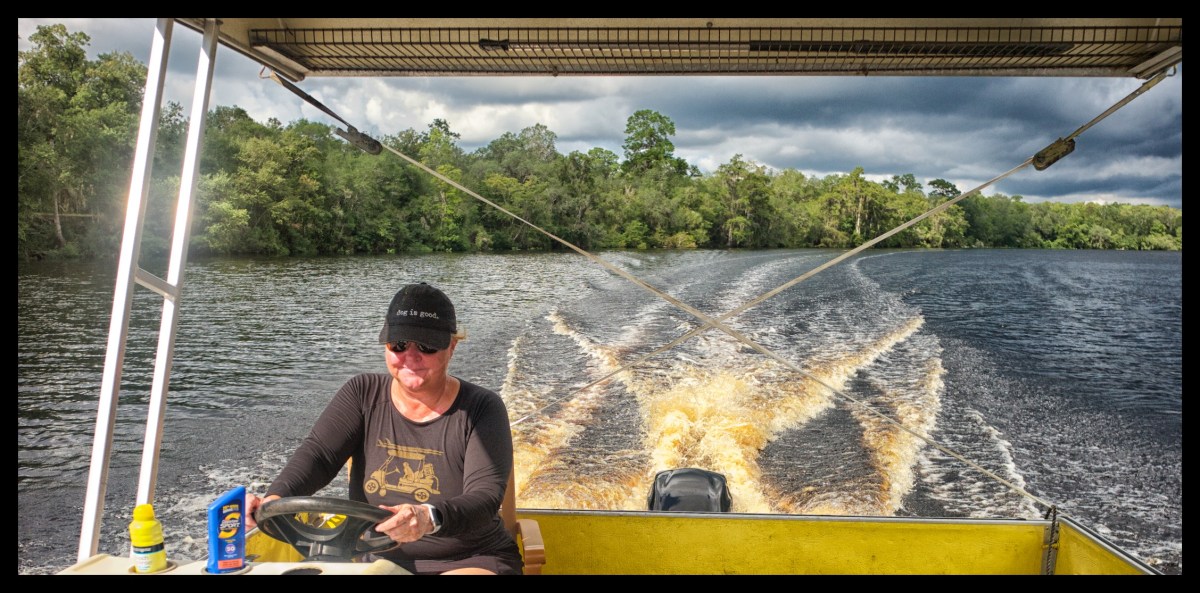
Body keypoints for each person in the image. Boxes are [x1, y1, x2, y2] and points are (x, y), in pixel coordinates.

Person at [245, 282, 522, 575]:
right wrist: (275, 498)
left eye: (427, 346)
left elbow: (484, 497)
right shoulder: (361, 393)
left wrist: (427, 517)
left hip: (467, 558)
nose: (410, 357)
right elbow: (319, 456)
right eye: (399, 345)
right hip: (373, 557)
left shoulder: (482, 407)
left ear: (452, 346)